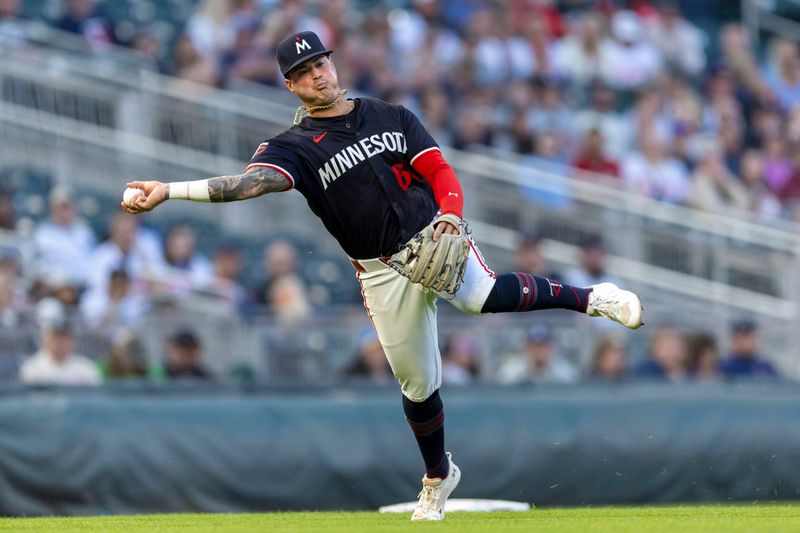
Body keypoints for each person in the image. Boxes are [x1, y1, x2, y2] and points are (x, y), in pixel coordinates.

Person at [121, 30, 644, 522]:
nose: (317, 76)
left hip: (433, 237)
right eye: (303, 73)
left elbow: (440, 171)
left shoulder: (391, 115)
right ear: (291, 85)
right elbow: (250, 184)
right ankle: (438, 476)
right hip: (380, 272)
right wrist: (170, 189)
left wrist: (451, 215)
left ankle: (595, 298)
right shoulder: (293, 147)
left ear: (333, 62)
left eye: (320, 63)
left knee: (481, 296)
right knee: (417, 384)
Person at [19, 315, 102, 386]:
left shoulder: (86, 367)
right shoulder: (32, 369)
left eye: (66, 338)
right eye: (57, 338)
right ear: (46, 340)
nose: (62, 343)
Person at [496, 324, 579, 385]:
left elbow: (573, 384)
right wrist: (528, 372)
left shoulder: (564, 370)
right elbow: (502, 385)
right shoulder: (512, 368)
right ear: (527, 347)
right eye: (535, 345)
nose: (540, 350)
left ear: (551, 347)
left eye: (544, 345)